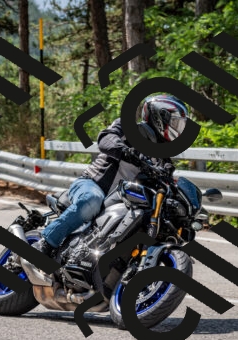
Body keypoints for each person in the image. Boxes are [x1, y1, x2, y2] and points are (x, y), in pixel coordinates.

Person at [33, 94, 189, 257]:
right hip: (93, 184)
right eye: (175, 123)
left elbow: (168, 183)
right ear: (159, 116)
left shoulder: (163, 158)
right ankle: (46, 242)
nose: (178, 129)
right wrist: (126, 151)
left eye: (180, 125)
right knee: (92, 200)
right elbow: (105, 139)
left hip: (123, 201)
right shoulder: (129, 128)